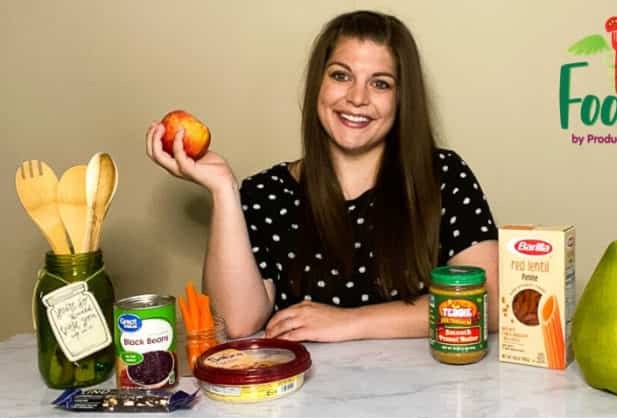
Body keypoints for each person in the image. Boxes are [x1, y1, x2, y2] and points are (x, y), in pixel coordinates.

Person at [146, 11, 498, 343]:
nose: (357, 98)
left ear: (402, 98)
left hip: (425, 398)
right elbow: (236, 323)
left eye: (380, 83)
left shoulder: (445, 176)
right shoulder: (264, 194)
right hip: (300, 402)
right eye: (341, 76)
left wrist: (350, 322)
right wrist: (224, 191)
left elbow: (490, 305)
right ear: (319, 84)